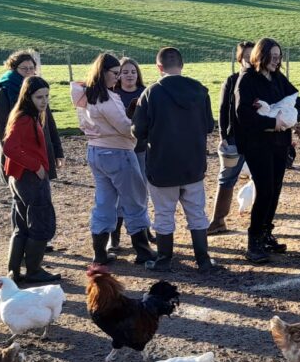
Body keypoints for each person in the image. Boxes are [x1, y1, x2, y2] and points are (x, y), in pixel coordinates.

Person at [133, 47, 221, 273]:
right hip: (193, 164)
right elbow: (209, 126)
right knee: (197, 213)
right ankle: (203, 260)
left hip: (162, 165)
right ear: (182, 65)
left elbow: (138, 131)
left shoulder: (151, 93)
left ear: (159, 67)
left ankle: (163, 260)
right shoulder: (200, 90)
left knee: (164, 214)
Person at [72, 54, 155, 266]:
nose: (117, 78)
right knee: (135, 200)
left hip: (96, 151)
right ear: (103, 73)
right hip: (118, 152)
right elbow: (126, 128)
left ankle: (99, 252)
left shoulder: (85, 96)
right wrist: (139, 123)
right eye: (115, 73)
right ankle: (143, 250)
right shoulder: (107, 98)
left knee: (104, 202)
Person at [234, 38, 300, 264]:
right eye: (272, 57)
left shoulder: (277, 78)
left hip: (280, 143)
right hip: (258, 144)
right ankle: (254, 240)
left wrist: (291, 118)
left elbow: (297, 100)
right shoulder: (247, 79)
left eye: (278, 57)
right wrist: (272, 123)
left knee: (275, 189)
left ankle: (266, 233)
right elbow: (243, 114)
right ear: (260, 56)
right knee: (264, 190)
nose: (276, 61)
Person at [0, 50, 64, 251]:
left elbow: (49, 122)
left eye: (32, 68)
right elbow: (2, 129)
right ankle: (28, 242)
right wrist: (11, 158)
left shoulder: (39, 90)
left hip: (41, 151)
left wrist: (57, 150)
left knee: (40, 198)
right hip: (19, 158)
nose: (28, 72)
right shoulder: (5, 90)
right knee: (22, 201)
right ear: (13, 69)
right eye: (24, 68)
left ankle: (39, 240)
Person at [1, 75, 60, 284]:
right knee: (40, 223)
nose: (44, 101)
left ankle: (14, 271)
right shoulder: (25, 118)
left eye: (46, 96)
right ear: (28, 97)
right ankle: (33, 271)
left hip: (19, 177)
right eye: (39, 97)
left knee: (22, 225)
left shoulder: (25, 115)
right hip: (29, 178)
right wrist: (36, 166)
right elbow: (9, 147)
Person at [209, 41, 255, 235]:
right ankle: (218, 220)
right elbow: (222, 109)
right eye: (246, 57)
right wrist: (223, 135)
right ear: (239, 59)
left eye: (252, 57)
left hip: (258, 139)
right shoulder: (231, 80)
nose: (249, 61)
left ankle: (259, 225)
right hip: (234, 138)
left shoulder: (263, 81)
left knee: (261, 180)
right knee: (226, 178)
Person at [109, 56, 148, 253]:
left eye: (133, 72)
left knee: (142, 190)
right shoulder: (113, 95)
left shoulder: (145, 93)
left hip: (141, 149)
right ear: (118, 75)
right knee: (118, 193)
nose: (130, 75)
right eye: (125, 72)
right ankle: (114, 235)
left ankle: (144, 230)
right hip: (120, 149)